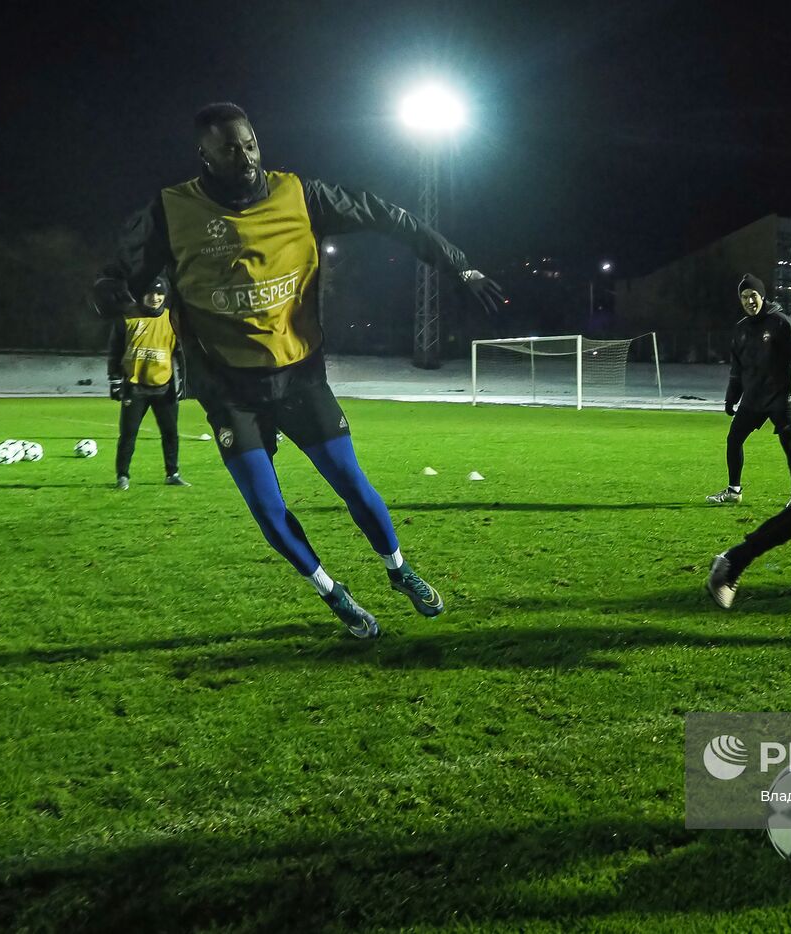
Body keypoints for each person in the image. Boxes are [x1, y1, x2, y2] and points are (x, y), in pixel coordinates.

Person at [91, 102, 505, 638]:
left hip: (299, 376)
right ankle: (334, 594)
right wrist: (117, 298)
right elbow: (110, 279)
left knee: (352, 484)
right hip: (227, 389)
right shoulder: (170, 212)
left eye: (250, 144)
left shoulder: (301, 196)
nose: (244, 156)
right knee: (267, 508)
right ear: (204, 155)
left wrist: (458, 262)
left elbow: (388, 216)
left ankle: (399, 571)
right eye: (229, 148)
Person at [706, 275, 791, 506]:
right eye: (744, 297)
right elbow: (737, 366)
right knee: (733, 439)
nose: (749, 301)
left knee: (789, 444)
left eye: (752, 296)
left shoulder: (782, 323)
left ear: (762, 296)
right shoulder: (740, 329)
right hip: (753, 397)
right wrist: (731, 396)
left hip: (781, 396)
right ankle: (734, 491)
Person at [108, 278, 189, 490]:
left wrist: (184, 382)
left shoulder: (172, 319)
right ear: (142, 295)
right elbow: (115, 350)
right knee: (128, 434)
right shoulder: (128, 317)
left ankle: (173, 473)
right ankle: (122, 476)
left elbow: (181, 354)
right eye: (150, 294)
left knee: (170, 433)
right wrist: (115, 380)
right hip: (135, 387)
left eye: (159, 294)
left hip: (164, 387)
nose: (155, 298)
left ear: (165, 296)